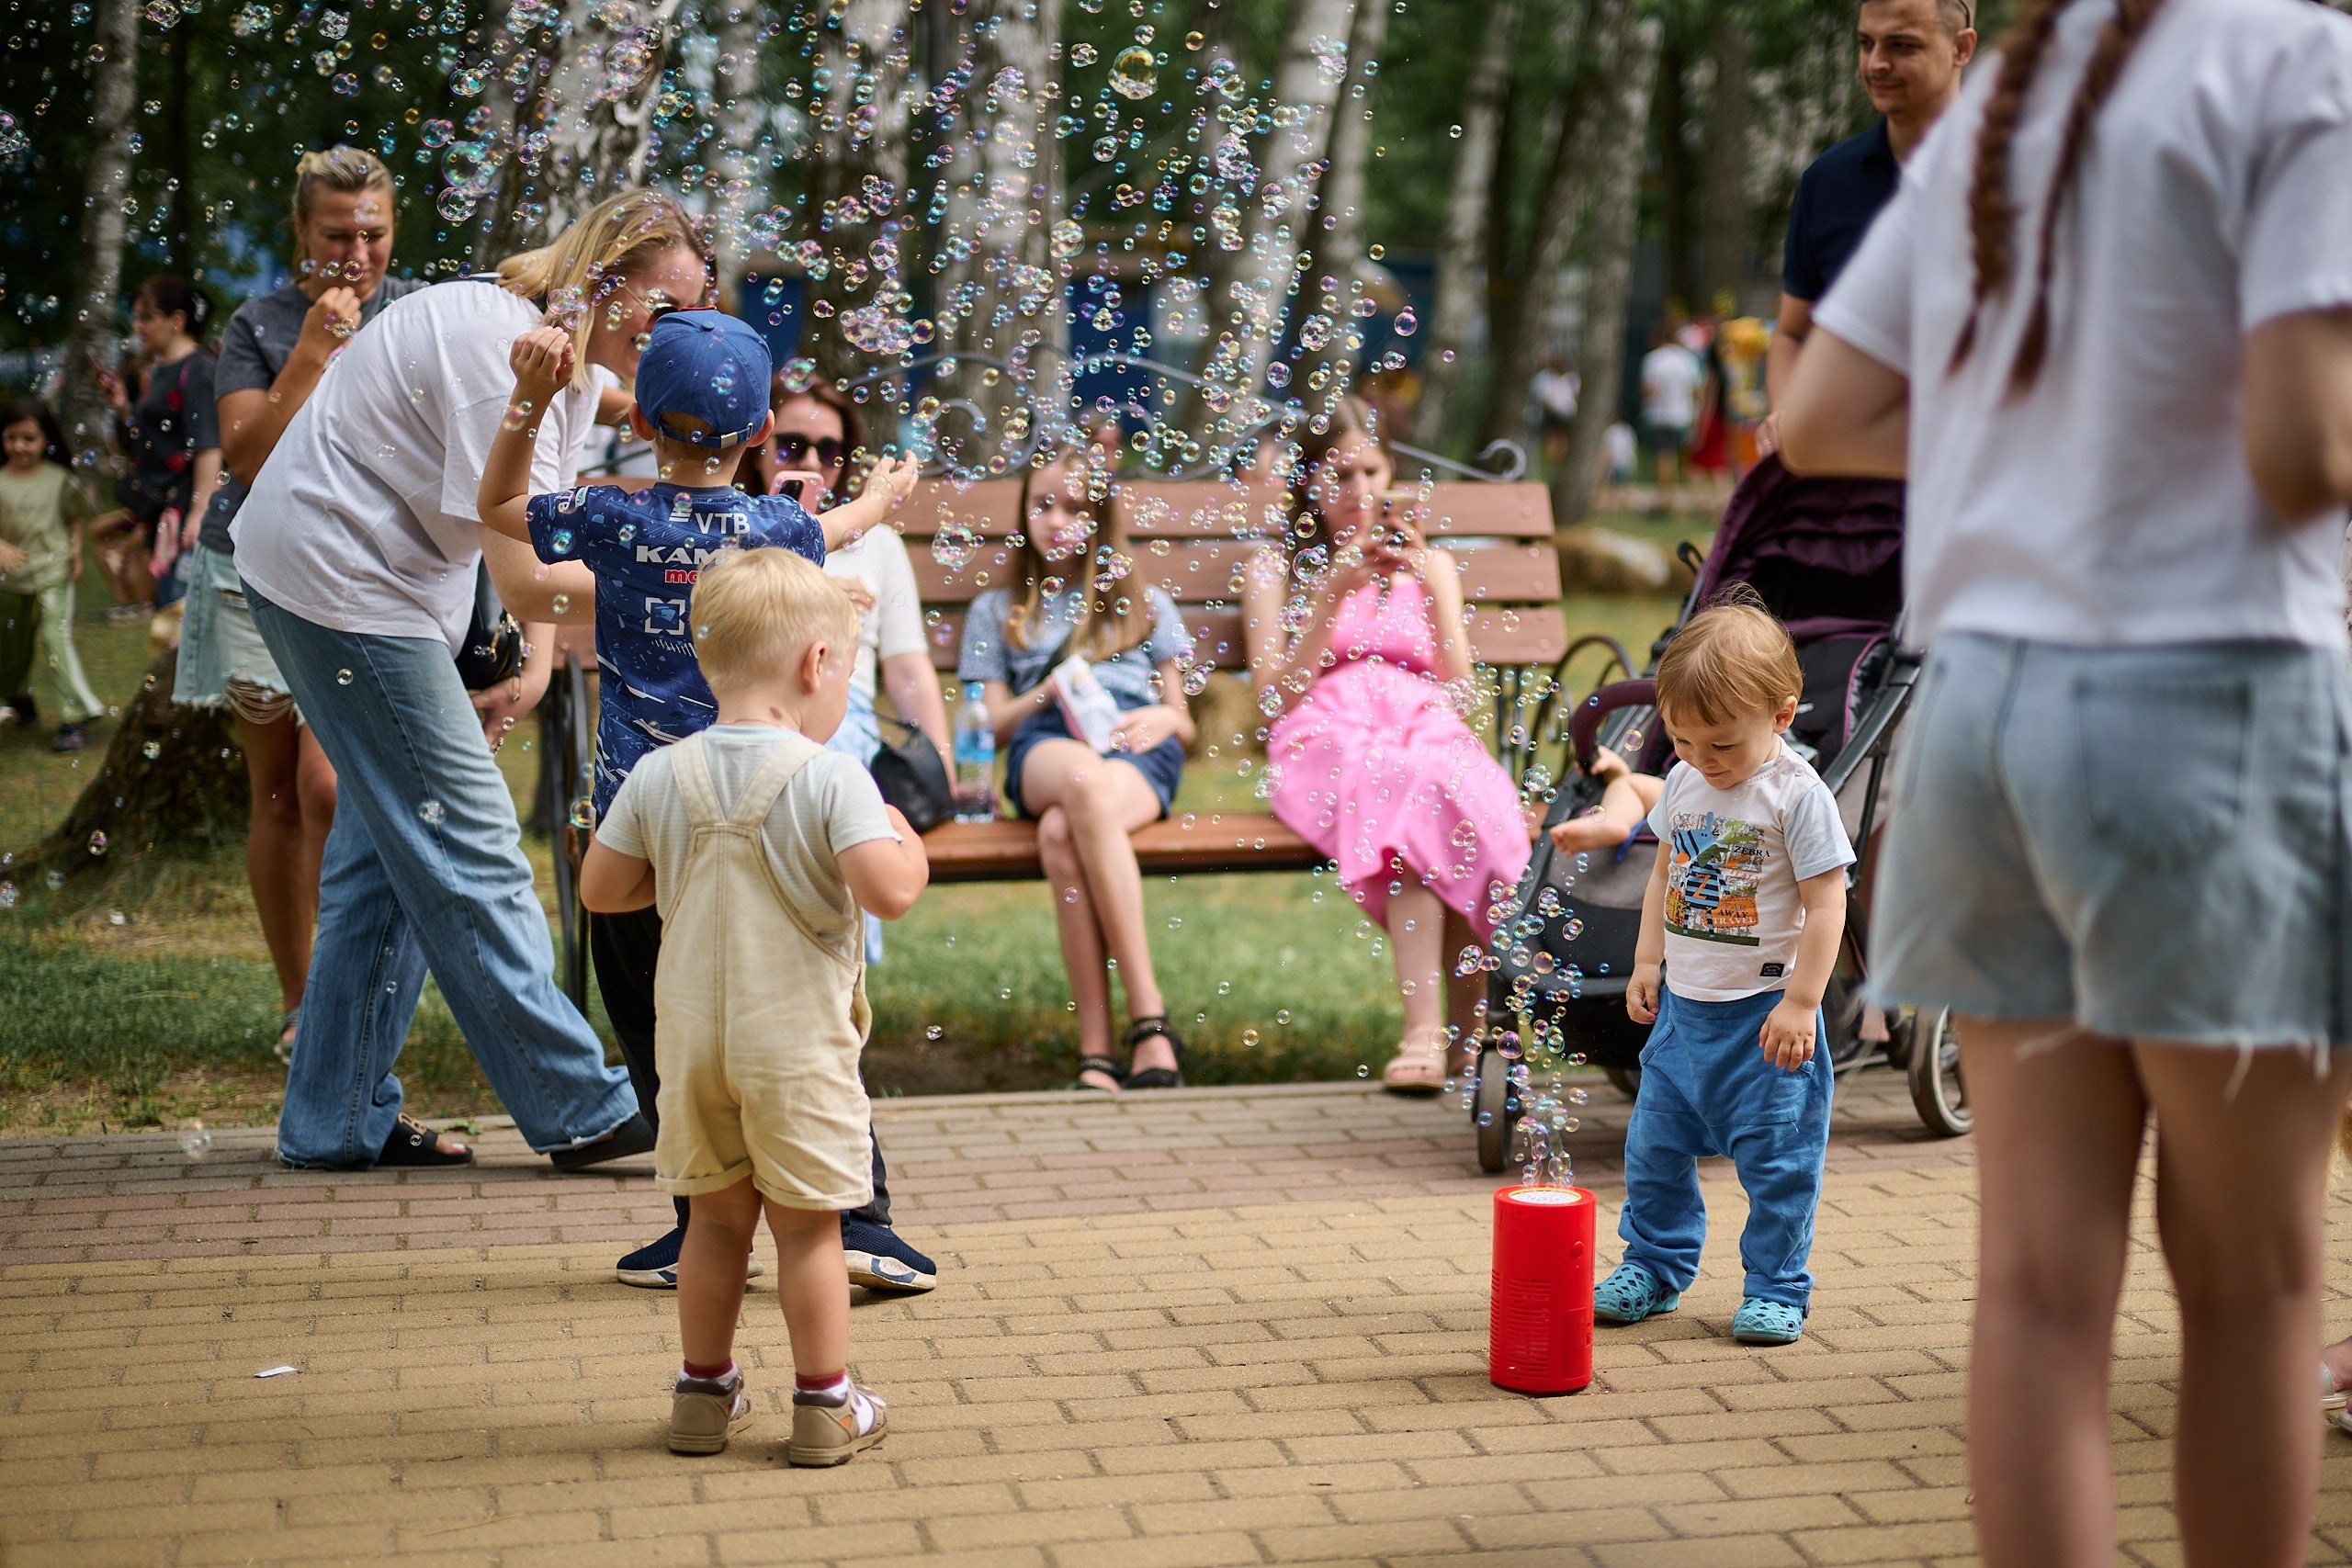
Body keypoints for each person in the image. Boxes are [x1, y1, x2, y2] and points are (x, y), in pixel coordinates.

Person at [1779, 0, 2352, 1559]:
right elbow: (2306, 443)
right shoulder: (2297, 60)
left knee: (2037, 1287)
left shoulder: (2006, 104)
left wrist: (2037, 442)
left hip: (1980, 724)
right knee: (2250, 1283)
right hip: (2207, 706)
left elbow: (1816, 414)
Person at [231, 188, 711, 1171]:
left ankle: (332, 1117)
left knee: (385, 860)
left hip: (379, 590)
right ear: (600, 280)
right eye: (663, 311)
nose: (676, 336)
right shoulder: (506, 354)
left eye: (695, 316)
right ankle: (581, 1106)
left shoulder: (556, 365)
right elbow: (530, 576)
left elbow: (506, 543)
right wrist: (692, 589)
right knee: (471, 838)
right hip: (340, 586)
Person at [478, 309, 938, 1297]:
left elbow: (502, 504)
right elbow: (844, 530)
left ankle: (698, 1220)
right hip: (770, 813)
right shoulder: (773, 525)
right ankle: (863, 1224)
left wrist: (528, 398)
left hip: (645, 823)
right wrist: (886, 495)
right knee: (808, 1016)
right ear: (763, 432)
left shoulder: (609, 516)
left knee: (654, 1021)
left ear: (640, 424)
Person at [579, 546, 929, 1464]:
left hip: (691, 1049)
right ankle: (823, 1405)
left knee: (717, 1221)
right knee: (807, 1230)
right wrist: (907, 844)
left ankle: (703, 1394)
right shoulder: (831, 777)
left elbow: (601, 889)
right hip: (797, 1052)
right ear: (817, 665)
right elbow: (887, 892)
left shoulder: (660, 774)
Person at [176, 146, 423, 1060]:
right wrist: (312, 354)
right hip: (251, 573)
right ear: (299, 233)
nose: (357, 254)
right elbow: (246, 459)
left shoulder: (417, 312)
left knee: (330, 783)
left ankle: (344, 992)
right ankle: (300, 1004)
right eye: (337, 234)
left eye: (374, 233)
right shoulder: (261, 324)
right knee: (278, 791)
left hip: (362, 580)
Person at [1241, 398, 1531, 1093]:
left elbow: (1463, 696)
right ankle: (1428, 1031)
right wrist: (1330, 599)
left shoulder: (1430, 569)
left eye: (1370, 470)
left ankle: (1471, 1037)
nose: (1358, 490)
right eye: (1338, 475)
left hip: (1424, 726)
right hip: (1328, 736)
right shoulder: (1275, 568)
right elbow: (1271, 701)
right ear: (1309, 482)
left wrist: (1431, 600)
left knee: (1451, 787)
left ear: (1392, 472)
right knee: (1406, 788)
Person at [1589, 598, 1853, 1346]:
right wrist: (1648, 960)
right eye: (1682, 738)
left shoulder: (1798, 795)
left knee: (1778, 1164)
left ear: (1780, 714)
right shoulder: (1682, 783)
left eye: (1723, 745)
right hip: (1684, 1014)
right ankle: (1655, 1265)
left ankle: (1776, 1286)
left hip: (1767, 1017)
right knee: (1654, 1150)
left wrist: (1803, 1001)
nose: (1704, 759)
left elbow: (1826, 905)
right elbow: (1662, 873)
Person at [957, 446, 1195, 1094]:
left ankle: (1097, 1050)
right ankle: (1150, 1018)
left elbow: (1184, 717)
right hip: (1046, 746)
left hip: (1135, 744)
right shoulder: (998, 609)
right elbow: (990, 722)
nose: (1057, 518)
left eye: (1074, 507)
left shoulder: (1144, 603)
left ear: (1100, 516)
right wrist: (1051, 689)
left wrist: (1165, 722)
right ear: (1023, 512)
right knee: (1083, 782)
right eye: (1041, 504)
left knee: (1063, 832)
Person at [1761, 0, 1975, 455]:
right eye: (1865, 43)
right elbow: (1792, 334)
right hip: (1849, 494)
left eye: (1902, 46)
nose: (1876, 63)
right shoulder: (1827, 182)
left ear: (1962, 48)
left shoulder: (2021, 177)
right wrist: (1787, 416)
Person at [102, 275, 223, 616]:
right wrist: (123, 407)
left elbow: (208, 445)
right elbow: (150, 442)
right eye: (136, 317)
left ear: (177, 321)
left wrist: (199, 513)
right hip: (163, 509)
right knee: (170, 617)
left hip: (187, 511)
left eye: (146, 317)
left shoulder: (198, 369)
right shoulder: (160, 371)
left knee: (182, 617)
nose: (137, 326)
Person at [0, 400, 105, 751]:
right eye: (11, 438)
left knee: (53, 636)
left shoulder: (59, 479)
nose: (19, 446)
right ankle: (16, 699)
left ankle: (73, 717)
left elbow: (75, 516)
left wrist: (75, 552)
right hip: (9, 580)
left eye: (28, 438)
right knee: (11, 647)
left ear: (46, 440)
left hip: (51, 571)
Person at [1638, 325, 1702, 502]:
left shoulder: (1654, 359)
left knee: (1664, 455)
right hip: (1683, 414)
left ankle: (1665, 496)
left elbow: (1649, 389)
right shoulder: (1688, 360)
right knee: (1684, 457)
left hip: (1660, 415)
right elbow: (1696, 391)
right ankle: (1696, 497)